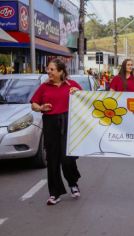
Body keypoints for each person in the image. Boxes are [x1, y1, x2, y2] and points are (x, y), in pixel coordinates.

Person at [30, 58, 82, 205]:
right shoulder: (44, 87)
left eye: (52, 69)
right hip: (50, 122)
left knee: (67, 158)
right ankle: (55, 193)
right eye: (48, 69)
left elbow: (85, 100)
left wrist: (77, 92)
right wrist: (40, 108)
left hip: (68, 122)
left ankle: (73, 183)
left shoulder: (72, 84)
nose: (49, 72)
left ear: (61, 71)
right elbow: (33, 104)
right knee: (52, 159)